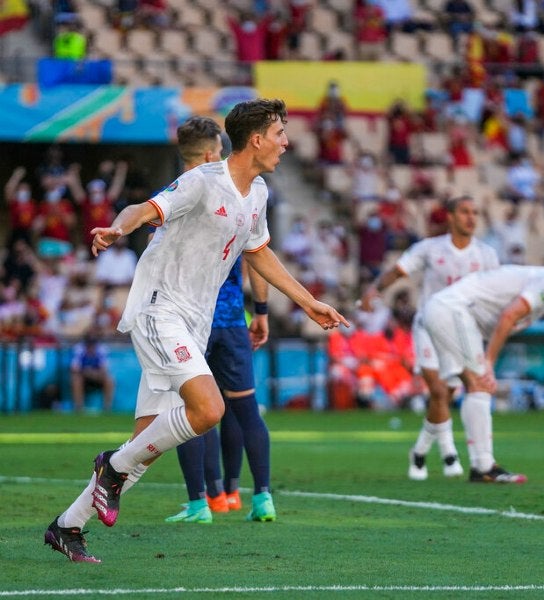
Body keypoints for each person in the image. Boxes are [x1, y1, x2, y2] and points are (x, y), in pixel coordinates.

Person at [44, 98, 348, 563]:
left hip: (194, 320)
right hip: (158, 307)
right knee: (208, 409)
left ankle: (68, 525)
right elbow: (144, 208)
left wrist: (308, 303)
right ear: (257, 139)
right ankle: (111, 465)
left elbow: (259, 252)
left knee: (146, 444)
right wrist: (116, 230)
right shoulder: (203, 181)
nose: (287, 142)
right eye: (281, 133)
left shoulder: (259, 192)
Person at [160, 116, 278, 526]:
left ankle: (201, 502)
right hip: (231, 317)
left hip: (191, 319)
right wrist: (259, 311)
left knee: (191, 409)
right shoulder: (242, 190)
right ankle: (259, 497)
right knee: (244, 409)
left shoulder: (184, 193)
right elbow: (254, 255)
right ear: (212, 151)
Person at [420, 261, 544, 482]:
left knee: (476, 386)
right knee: (481, 383)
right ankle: (483, 467)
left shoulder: (542, 280)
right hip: (451, 311)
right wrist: (489, 361)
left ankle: (481, 466)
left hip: (445, 310)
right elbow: (509, 316)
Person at [360, 196, 499, 480]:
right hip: (428, 327)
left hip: (463, 332)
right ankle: (450, 454)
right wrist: (375, 290)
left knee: (446, 396)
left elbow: (493, 294)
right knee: (437, 391)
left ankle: (420, 451)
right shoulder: (430, 248)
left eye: (475, 212)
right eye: (464, 212)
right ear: (450, 216)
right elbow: (398, 271)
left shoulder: (486, 255)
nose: (471, 217)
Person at [70, 333, 115, 412]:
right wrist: (87, 372)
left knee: (109, 380)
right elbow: (74, 369)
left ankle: (107, 407)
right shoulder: (79, 349)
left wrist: (92, 373)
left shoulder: (101, 350)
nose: (91, 346)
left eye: (92, 343)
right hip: (83, 376)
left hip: (96, 376)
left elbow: (104, 369)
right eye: (89, 344)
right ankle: (78, 407)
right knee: (76, 380)